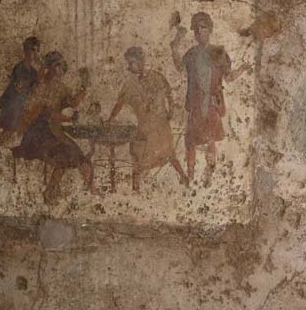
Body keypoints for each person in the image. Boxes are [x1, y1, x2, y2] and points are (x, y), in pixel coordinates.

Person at [171, 12, 252, 187]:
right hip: (194, 103)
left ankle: (209, 173)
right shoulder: (191, 54)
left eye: (203, 29)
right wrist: (174, 48)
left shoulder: (218, 53)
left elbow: (229, 77)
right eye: (196, 31)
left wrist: (243, 69)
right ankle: (191, 173)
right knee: (191, 140)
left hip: (212, 103)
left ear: (210, 30)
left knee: (210, 139)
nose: (199, 34)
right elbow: (178, 67)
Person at [13, 51, 94, 203]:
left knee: (77, 155)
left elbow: (73, 103)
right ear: (50, 67)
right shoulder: (40, 87)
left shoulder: (61, 87)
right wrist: (68, 117)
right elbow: (45, 114)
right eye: (58, 66)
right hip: (38, 133)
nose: (61, 70)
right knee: (64, 156)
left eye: (63, 67)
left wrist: (84, 87)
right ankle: (51, 192)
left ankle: (80, 190)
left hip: (54, 132)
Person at [108, 46, 186, 190]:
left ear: (141, 61)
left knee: (168, 153)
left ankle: (183, 177)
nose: (129, 67)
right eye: (129, 63)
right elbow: (120, 103)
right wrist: (111, 117)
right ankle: (136, 187)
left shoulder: (157, 76)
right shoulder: (130, 84)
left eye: (132, 63)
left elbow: (169, 94)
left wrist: (171, 110)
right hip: (144, 126)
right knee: (138, 154)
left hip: (160, 124)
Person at [0, 36, 42, 187]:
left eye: (35, 50)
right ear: (25, 50)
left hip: (23, 107)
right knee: (6, 134)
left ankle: (2, 164)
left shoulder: (34, 72)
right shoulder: (20, 68)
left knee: (20, 134)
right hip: (14, 106)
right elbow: (20, 89)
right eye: (29, 50)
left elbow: (35, 89)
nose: (32, 53)